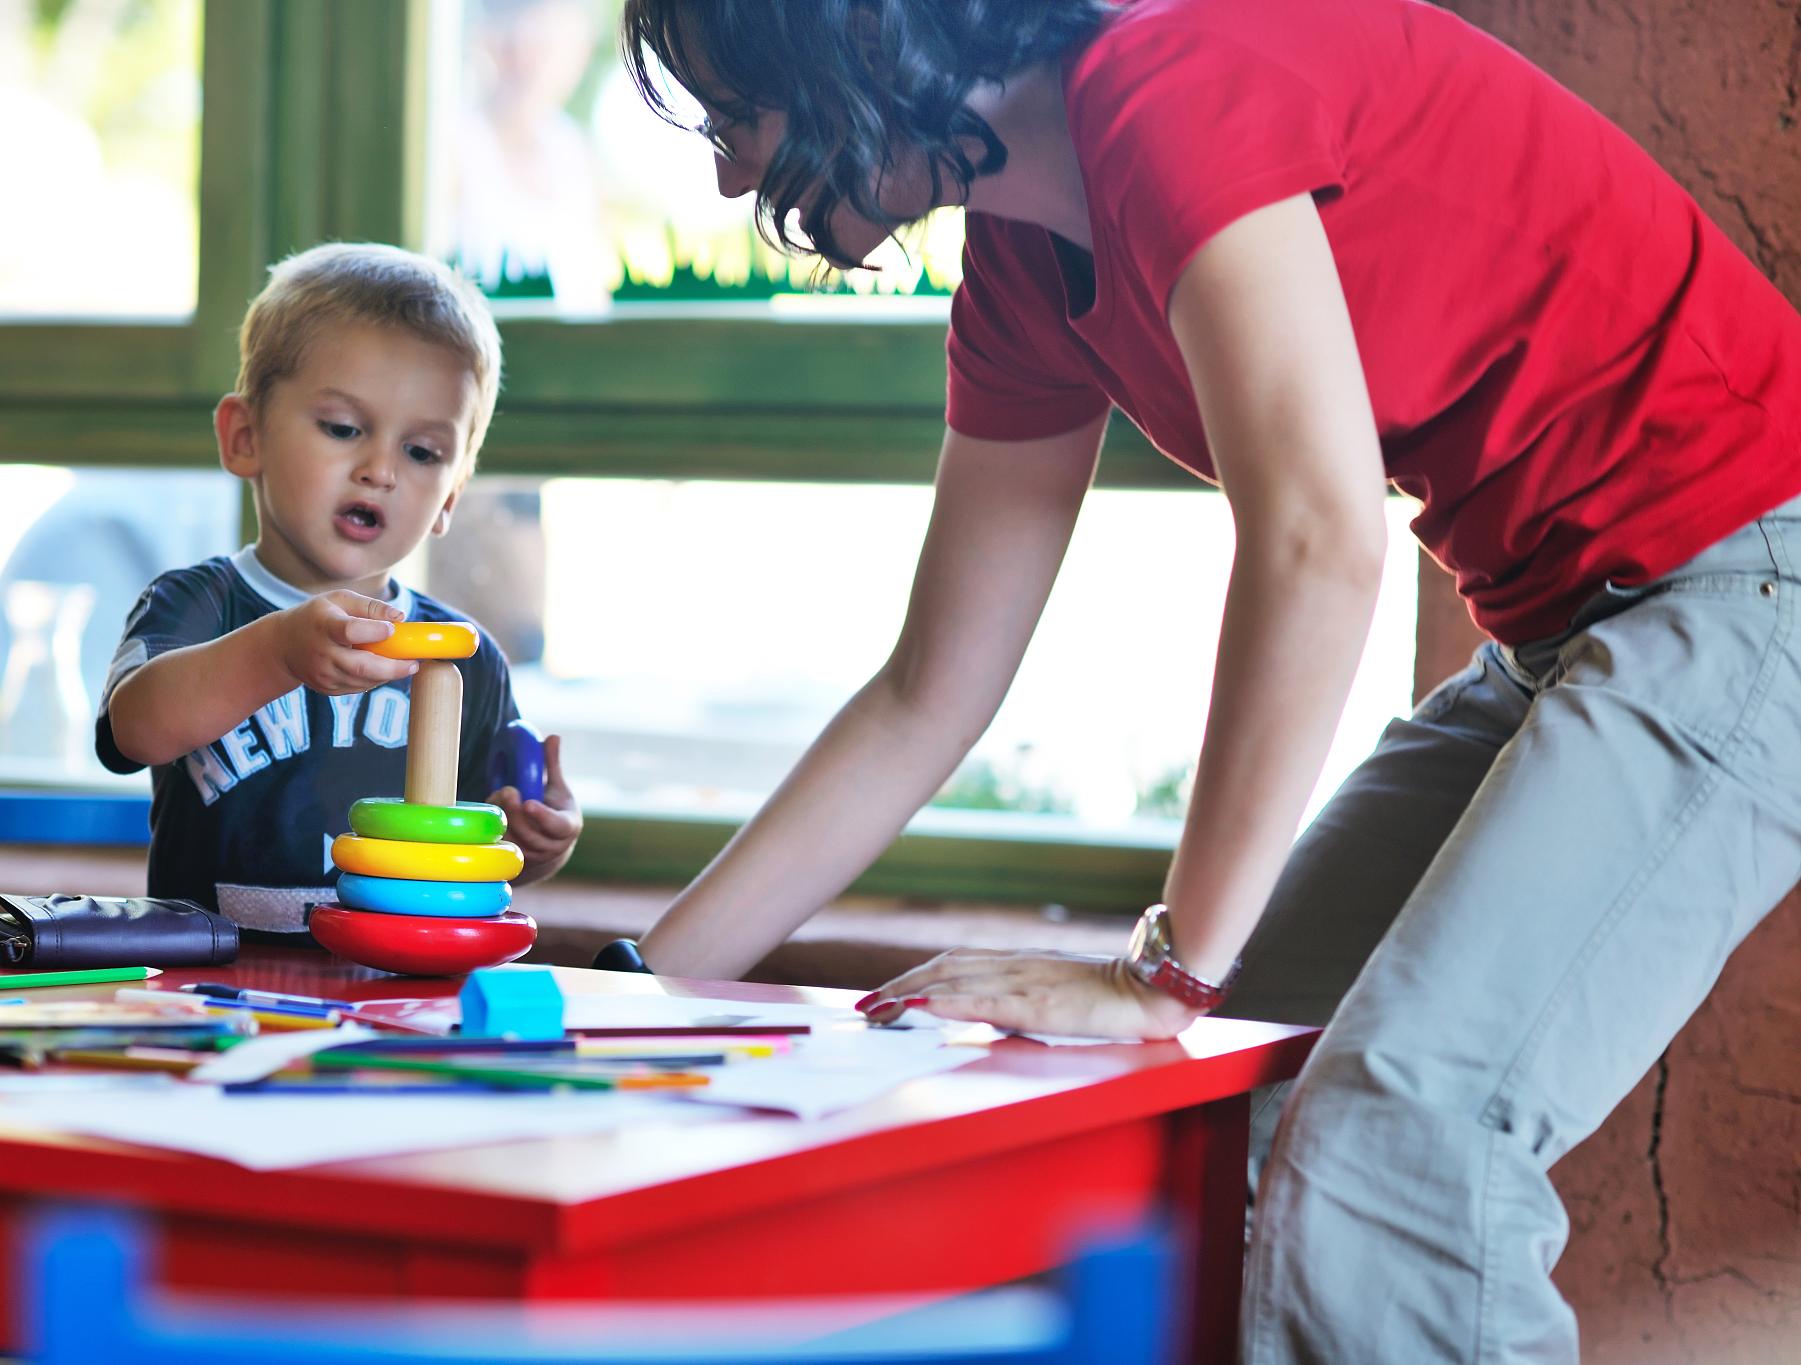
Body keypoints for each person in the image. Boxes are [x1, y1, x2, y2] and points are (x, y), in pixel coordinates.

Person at [617, 0, 1801, 1359]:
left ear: (855, 44)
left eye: (734, 115)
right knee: (1220, 1103)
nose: (723, 173)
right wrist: (633, 987)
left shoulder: (1167, 81)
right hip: (1564, 631)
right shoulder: (1019, 269)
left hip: (1749, 581)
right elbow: (927, 692)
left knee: (1399, 1140)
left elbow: (1317, 538)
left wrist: (1162, 974)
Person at [96, 244, 582, 937]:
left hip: (390, 1001)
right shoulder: (199, 602)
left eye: (423, 452)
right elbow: (134, 729)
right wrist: (278, 653)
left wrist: (537, 844)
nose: (381, 469)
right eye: (344, 428)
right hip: (206, 997)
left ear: (451, 497)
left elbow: (471, 852)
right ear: (245, 437)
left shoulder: (462, 660)